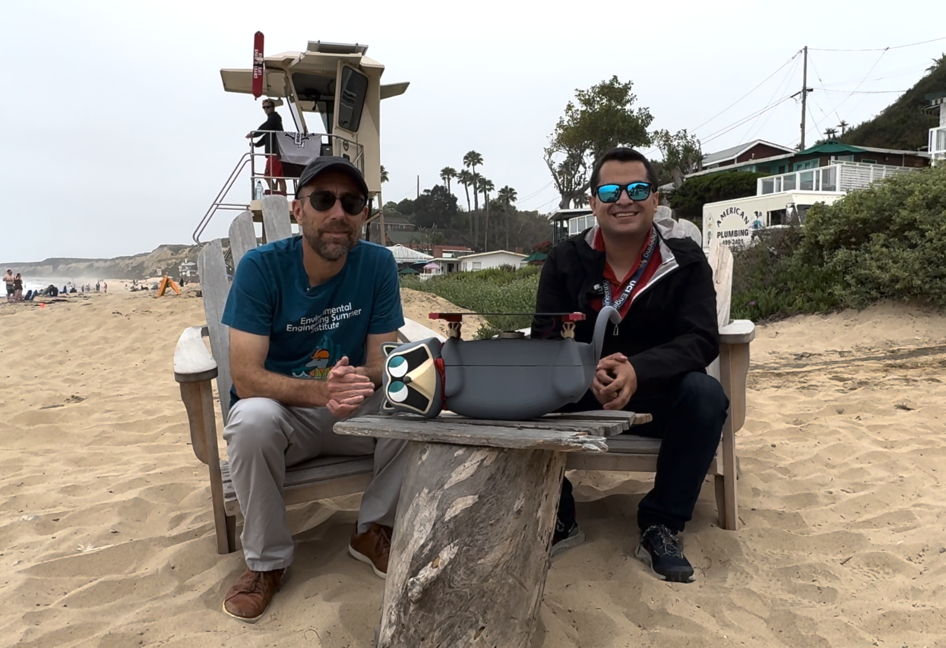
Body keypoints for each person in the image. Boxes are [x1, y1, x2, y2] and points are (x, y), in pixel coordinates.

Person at [219, 155, 406, 622]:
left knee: (415, 403)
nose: (338, 213)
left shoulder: (379, 265)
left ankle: (371, 530)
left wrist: (354, 383)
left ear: (364, 213)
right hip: (288, 420)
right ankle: (267, 564)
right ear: (299, 210)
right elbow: (246, 376)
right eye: (323, 199)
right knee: (250, 420)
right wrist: (323, 391)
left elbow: (382, 358)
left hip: (353, 406)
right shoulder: (262, 269)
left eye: (352, 202)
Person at [532, 147, 728, 584]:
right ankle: (558, 514)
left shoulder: (685, 261)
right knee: (522, 391)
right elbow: (545, 337)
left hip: (658, 394)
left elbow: (701, 339)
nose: (624, 199)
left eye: (637, 189)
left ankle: (662, 524)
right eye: (610, 190)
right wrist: (590, 371)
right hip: (581, 391)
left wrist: (638, 370)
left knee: (706, 395)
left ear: (655, 199)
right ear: (593, 203)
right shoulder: (565, 260)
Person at [246, 99, 286, 195]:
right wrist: (256, 144)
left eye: (268, 107)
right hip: (276, 152)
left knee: (270, 176)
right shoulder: (273, 120)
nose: (266, 109)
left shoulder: (274, 118)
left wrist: (254, 134)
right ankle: (279, 193)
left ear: (273, 108)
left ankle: (277, 194)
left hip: (275, 153)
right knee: (278, 176)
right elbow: (266, 136)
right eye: (264, 107)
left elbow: (265, 127)